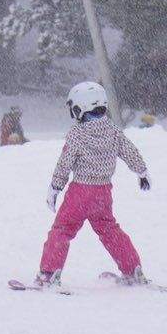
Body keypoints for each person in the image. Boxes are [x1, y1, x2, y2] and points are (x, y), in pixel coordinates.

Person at [32, 81, 151, 289]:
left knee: (62, 230)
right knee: (109, 230)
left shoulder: (77, 133)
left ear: (80, 108)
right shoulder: (112, 130)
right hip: (103, 193)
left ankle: (48, 274)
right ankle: (133, 270)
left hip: (80, 192)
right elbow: (129, 150)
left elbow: (65, 162)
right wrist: (141, 171)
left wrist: (55, 187)